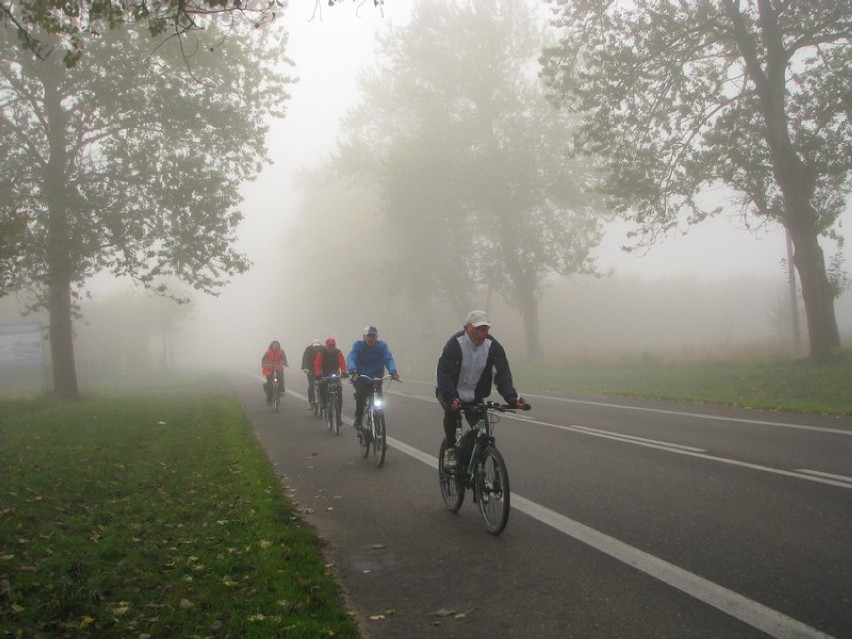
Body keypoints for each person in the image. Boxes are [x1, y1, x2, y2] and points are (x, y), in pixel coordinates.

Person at [435, 310, 526, 469]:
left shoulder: (493, 347)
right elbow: (444, 374)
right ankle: (450, 448)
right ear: (466, 328)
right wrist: (451, 398)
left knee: (483, 433)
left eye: (484, 329)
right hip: (449, 391)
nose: (480, 334)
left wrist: (512, 398)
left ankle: (478, 466)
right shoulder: (455, 344)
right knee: (452, 413)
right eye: (476, 329)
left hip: (474, 395)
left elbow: (502, 375)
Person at [346, 325, 400, 430]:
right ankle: (358, 418)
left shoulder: (382, 346)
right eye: (369, 336)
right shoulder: (358, 345)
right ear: (364, 337)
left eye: (373, 336)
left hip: (376, 380)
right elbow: (351, 358)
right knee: (361, 396)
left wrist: (392, 371)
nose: (371, 339)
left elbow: (388, 358)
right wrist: (353, 371)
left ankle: (380, 429)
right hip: (361, 377)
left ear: (377, 337)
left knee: (380, 404)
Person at [313, 337, 347, 410]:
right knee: (322, 386)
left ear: (335, 346)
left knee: (339, 391)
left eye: (333, 346)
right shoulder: (321, 353)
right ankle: (324, 403)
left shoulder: (338, 353)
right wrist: (318, 373)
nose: (331, 347)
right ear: (326, 346)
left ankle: (338, 415)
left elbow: (342, 363)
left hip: (335, 375)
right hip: (325, 374)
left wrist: (344, 372)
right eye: (329, 346)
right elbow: (317, 364)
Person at [261, 340, 288, 404]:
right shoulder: (268, 352)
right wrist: (265, 363)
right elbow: (263, 359)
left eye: (277, 345)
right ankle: (269, 399)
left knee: (281, 378)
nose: (275, 346)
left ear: (278, 346)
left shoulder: (281, 351)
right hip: (269, 369)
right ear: (271, 346)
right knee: (269, 383)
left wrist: (285, 363)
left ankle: (281, 390)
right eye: (274, 345)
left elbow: (284, 359)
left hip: (278, 368)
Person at [301, 339, 323, 409]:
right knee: (311, 385)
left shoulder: (323, 349)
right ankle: (310, 401)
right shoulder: (308, 349)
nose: (316, 348)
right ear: (312, 346)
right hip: (311, 369)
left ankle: (323, 400)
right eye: (315, 347)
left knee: (323, 384)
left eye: (318, 347)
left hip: (320, 369)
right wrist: (304, 367)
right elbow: (305, 358)